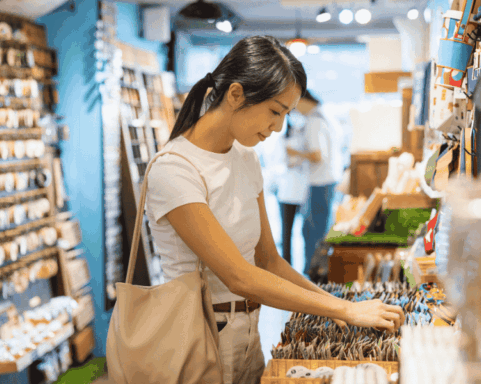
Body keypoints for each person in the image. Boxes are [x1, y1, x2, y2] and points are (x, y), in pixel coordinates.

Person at [145, 36, 404, 384]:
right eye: (275, 111)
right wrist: (344, 308)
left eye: (286, 114)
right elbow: (240, 276)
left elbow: (269, 261)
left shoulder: (245, 158)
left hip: (248, 335)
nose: (279, 126)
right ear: (236, 94)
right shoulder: (174, 169)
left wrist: (334, 305)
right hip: (196, 337)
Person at [286, 91, 343, 275]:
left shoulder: (314, 120)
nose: (295, 111)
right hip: (328, 180)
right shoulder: (325, 115)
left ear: (302, 100)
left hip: (320, 183)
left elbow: (317, 155)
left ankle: (313, 273)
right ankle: (315, 272)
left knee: (313, 232)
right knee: (317, 229)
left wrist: (295, 153)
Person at [277, 119, 309, 265]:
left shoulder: (304, 137)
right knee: (286, 233)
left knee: (305, 230)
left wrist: (298, 155)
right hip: (287, 193)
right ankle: (286, 265)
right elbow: (285, 162)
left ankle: (307, 264)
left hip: (303, 191)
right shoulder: (282, 139)